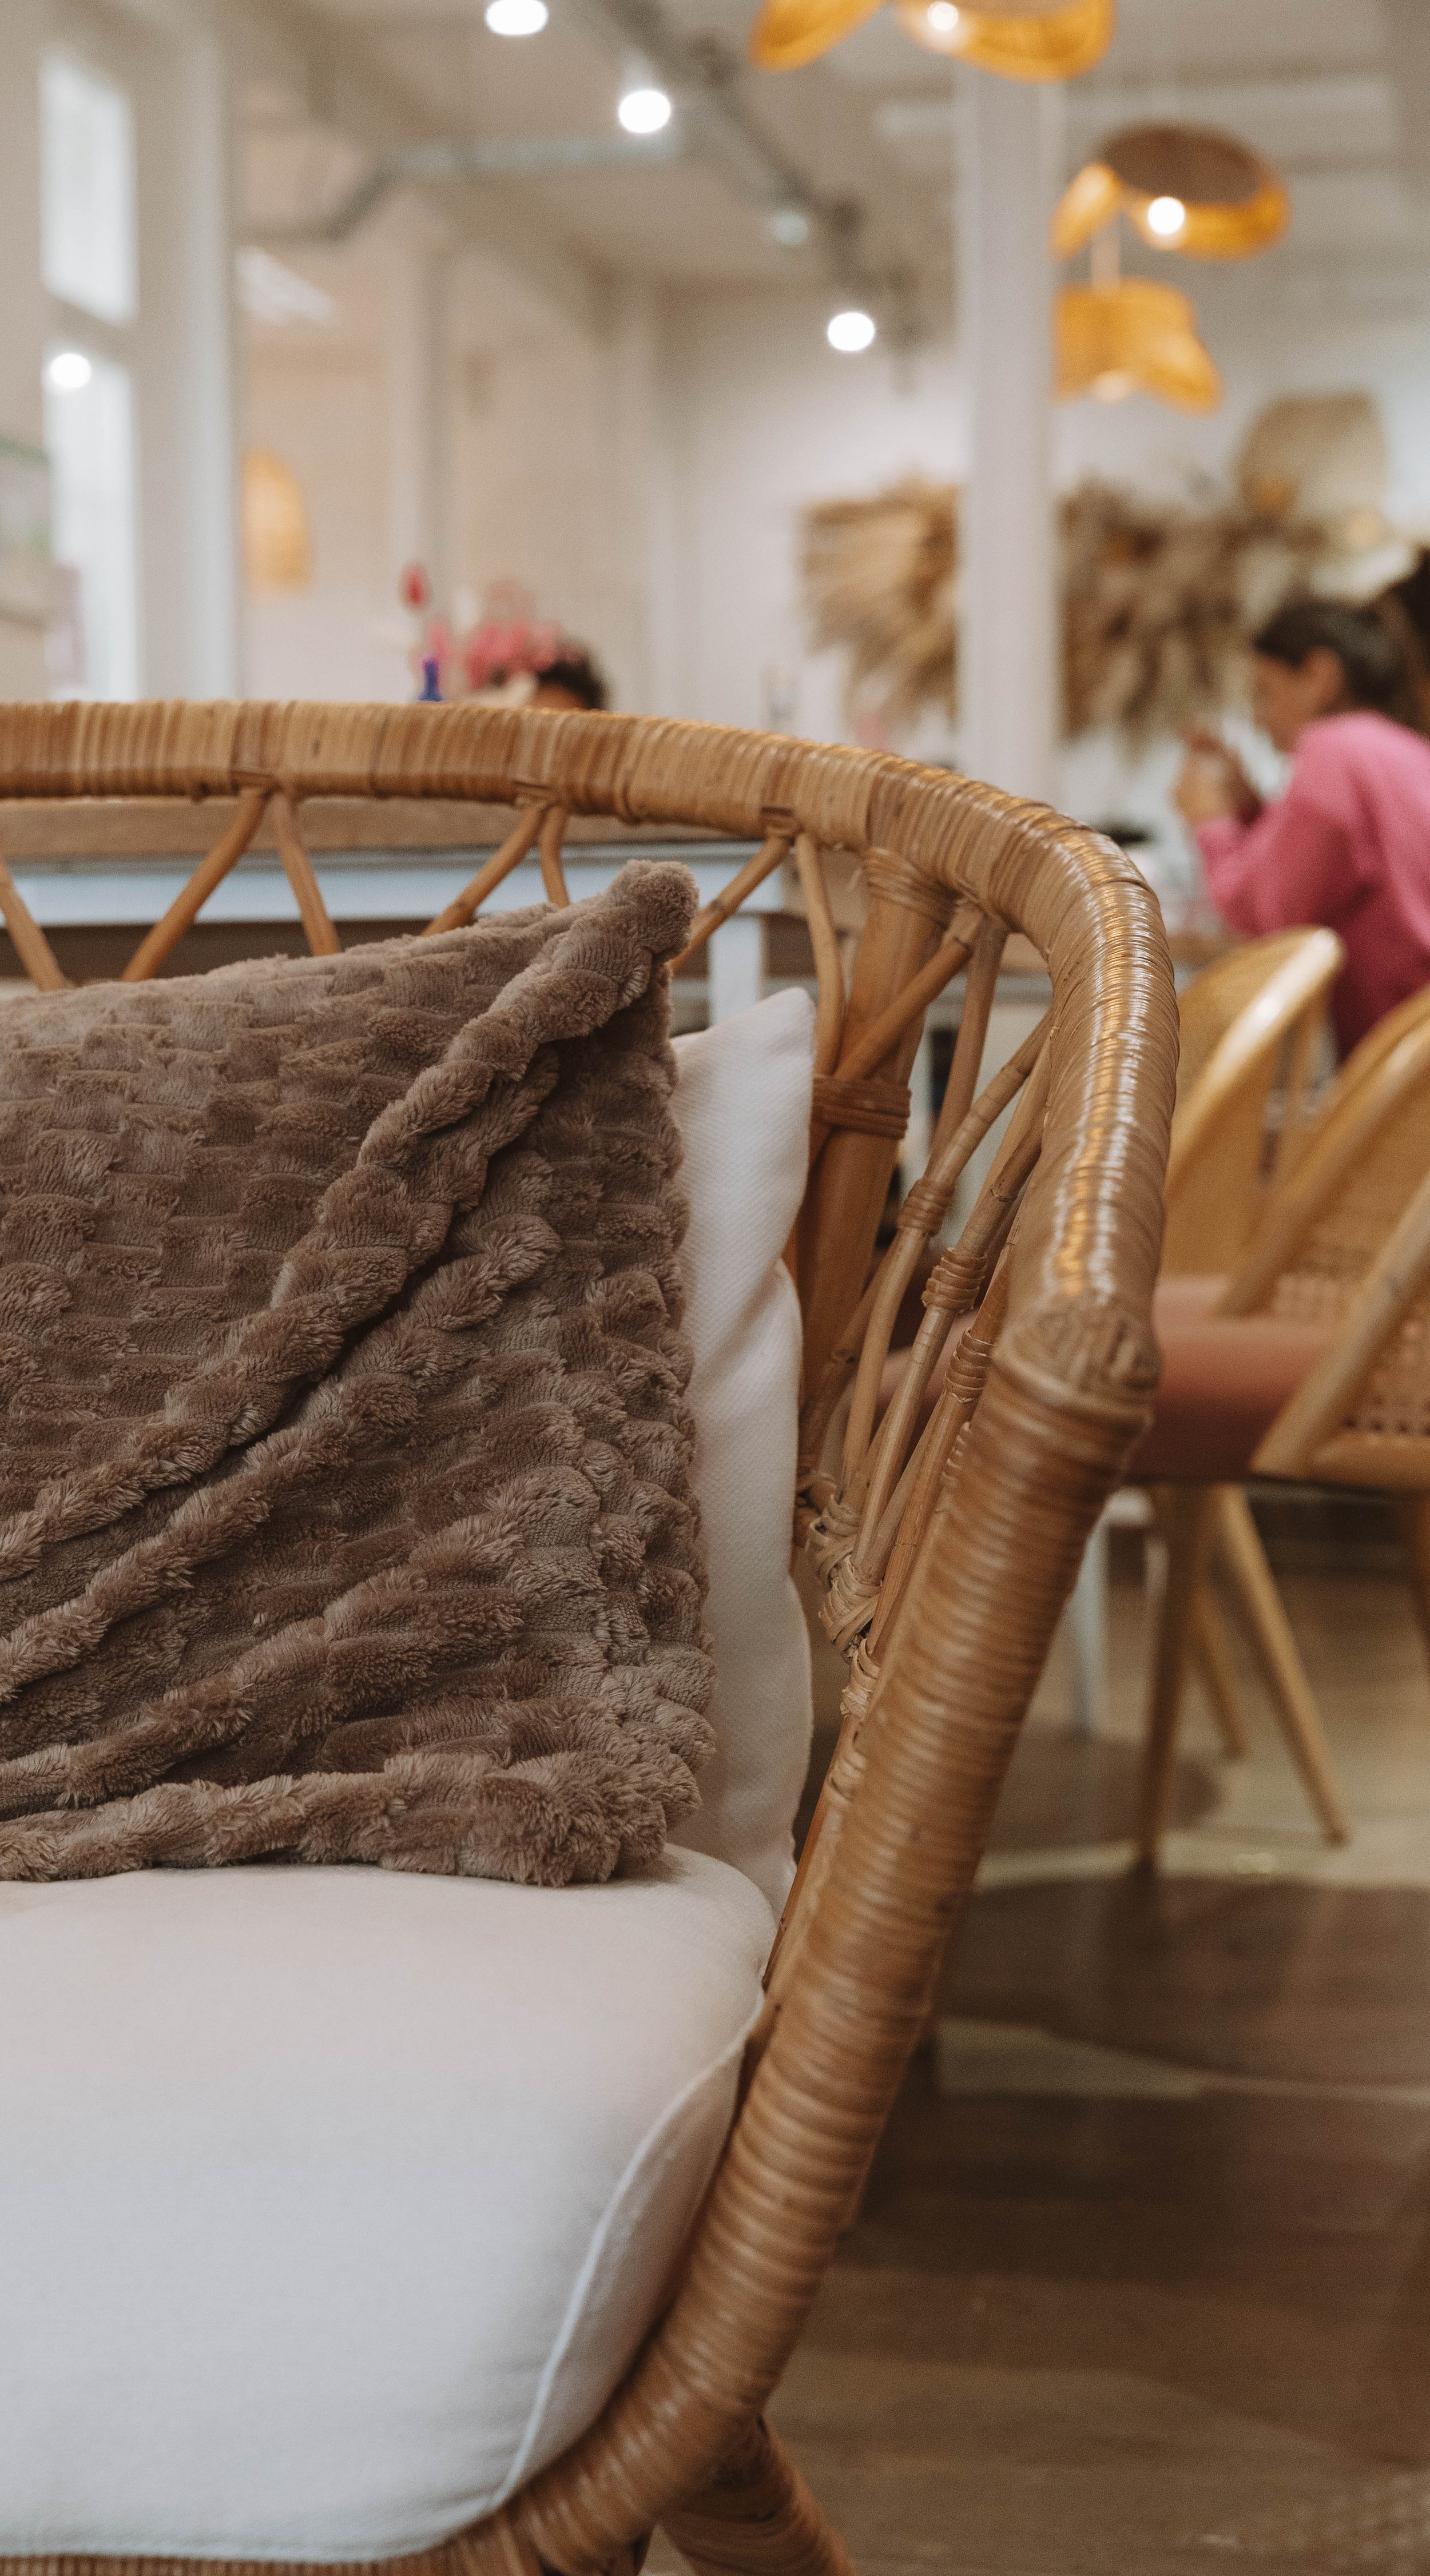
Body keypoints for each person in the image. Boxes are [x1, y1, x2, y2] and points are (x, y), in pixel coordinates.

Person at [1174, 599, 1430, 1052]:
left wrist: (1211, 823)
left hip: (1399, 1071)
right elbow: (1329, 873)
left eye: (1265, 692)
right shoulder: (1404, 750)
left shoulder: (1332, 747)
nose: (1259, 718)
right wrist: (1249, 809)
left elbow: (1266, 919)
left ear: (1318, 676)